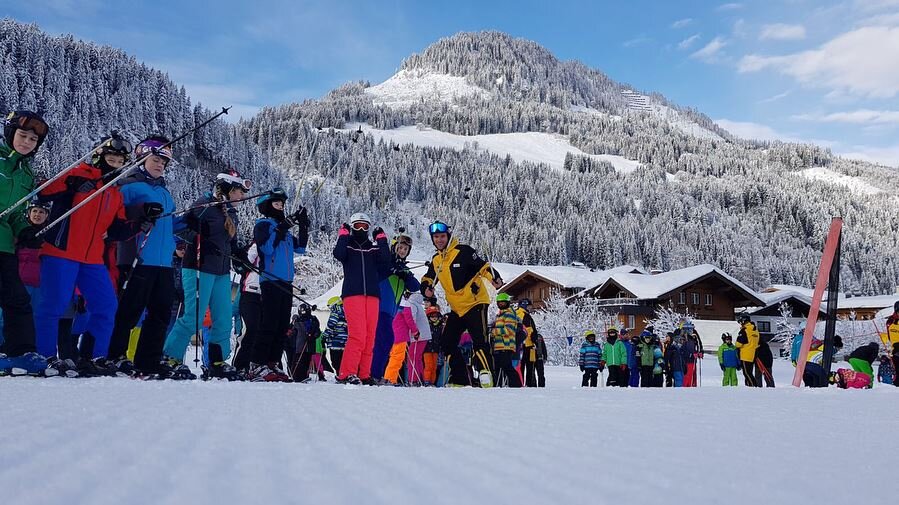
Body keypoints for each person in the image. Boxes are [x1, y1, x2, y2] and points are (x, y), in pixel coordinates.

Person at [37, 132, 141, 377]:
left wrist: (141, 221)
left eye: (120, 162)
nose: (114, 165)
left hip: (92, 258)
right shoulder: (79, 173)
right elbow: (44, 192)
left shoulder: (114, 193)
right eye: (111, 159)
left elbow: (118, 230)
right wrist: (71, 184)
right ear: (99, 157)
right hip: (61, 251)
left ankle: (93, 356)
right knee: (54, 304)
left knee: (106, 305)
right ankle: (44, 356)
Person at [105, 136, 183, 377]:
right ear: (142, 158)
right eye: (156, 160)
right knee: (129, 310)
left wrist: (188, 223)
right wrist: (140, 212)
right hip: (138, 258)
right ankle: (115, 355)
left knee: (160, 313)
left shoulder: (164, 192)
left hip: (164, 262)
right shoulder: (129, 185)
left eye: (163, 162)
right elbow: (116, 216)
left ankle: (149, 360)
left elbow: (167, 224)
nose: (160, 165)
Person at [163, 170, 251, 379]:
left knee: (223, 317)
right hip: (198, 267)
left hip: (221, 271)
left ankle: (216, 361)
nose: (242, 196)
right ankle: (170, 357)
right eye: (239, 191)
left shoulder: (232, 214)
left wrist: (239, 255)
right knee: (194, 315)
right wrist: (196, 235)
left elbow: (230, 243)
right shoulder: (204, 205)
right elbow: (177, 227)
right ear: (227, 189)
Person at [0, 111, 52, 376]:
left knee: (17, 299)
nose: (27, 142)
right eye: (23, 135)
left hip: (4, 245)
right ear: (10, 134)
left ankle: (20, 353)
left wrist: (26, 230)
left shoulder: (26, 174)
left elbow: (17, 214)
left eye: (33, 139)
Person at [420, 221, 503, 387]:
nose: (439, 240)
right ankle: (461, 380)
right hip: (457, 308)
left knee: (479, 340)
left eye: (442, 236)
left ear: (448, 236)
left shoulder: (463, 251)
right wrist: (426, 288)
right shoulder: (437, 260)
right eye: (436, 237)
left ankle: (487, 376)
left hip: (475, 302)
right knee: (447, 342)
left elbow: (483, 267)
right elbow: (428, 278)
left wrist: (495, 279)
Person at [249, 189, 309, 381]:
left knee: (282, 325)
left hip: (286, 282)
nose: (281, 207)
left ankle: (272, 362)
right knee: (269, 322)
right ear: (267, 206)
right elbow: (266, 249)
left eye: (282, 204)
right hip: (270, 280)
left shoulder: (284, 230)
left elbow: (301, 248)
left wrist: (303, 225)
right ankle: (257, 364)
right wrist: (281, 228)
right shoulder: (263, 225)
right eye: (277, 204)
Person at [332, 212, 391, 385]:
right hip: (353, 294)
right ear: (352, 227)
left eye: (365, 226)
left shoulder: (373, 249)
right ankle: (346, 373)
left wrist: (381, 239)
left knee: (370, 336)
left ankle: (364, 374)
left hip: (372, 295)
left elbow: (386, 259)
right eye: (357, 226)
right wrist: (343, 235)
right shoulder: (348, 246)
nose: (361, 229)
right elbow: (338, 254)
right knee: (357, 335)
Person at [370, 233, 419, 383]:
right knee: (384, 340)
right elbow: (380, 270)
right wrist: (393, 268)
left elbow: (415, 286)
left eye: (406, 249)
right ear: (394, 247)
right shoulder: (386, 263)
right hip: (381, 307)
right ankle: (374, 374)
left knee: (385, 341)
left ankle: (374, 374)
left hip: (391, 312)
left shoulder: (404, 269)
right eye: (400, 247)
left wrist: (405, 274)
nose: (403, 251)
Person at [17, 199, 49, 330]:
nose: (37, 214)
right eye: (34, 211)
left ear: (46, 215)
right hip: (19, 282)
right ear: (29, 213)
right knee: (10, 316)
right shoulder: (20, 232)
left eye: (41, 212)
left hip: (39, 285)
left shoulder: (49, 236)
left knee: (35, 318)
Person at [232, 243, 261, 371]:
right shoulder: (256, 246)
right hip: (250, 291)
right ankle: (239, 366)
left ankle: (256, 365)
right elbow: (244, 265)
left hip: (267, 292)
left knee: (261, 332)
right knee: (250, 329)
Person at [490, 292, 522, 387]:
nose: (501, 304)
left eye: (503, 302)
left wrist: (493, 331)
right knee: (499, 366)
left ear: (507, 303)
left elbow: (509, 329)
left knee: (507, 366)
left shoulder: (509, 314)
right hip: (499, 346)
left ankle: (516, 385)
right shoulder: (500, 315)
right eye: (499, 303)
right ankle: (500, 385)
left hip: (506, 345)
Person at [515, 297, 540, 387]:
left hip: (523, 345)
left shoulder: (519, 313)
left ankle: (522, 383)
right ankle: (527, 384)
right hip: (526, 345)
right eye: (529, 306)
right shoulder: (522, 315)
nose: (530, 308)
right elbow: (525, 329)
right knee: (528, 367)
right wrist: (534, 337)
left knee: (523, 366)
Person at [322, 296, 348, 375]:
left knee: (335, 361)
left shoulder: (335, 312)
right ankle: (344, 374)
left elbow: (331, 325)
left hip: (335, 341)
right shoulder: (347, 311)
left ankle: (340, 375)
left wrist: (324, 336)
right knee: (343, 361)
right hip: (345, 341)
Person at [735, 312, 759, 387]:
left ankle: (753, 386)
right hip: (753, 354)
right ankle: (750, 386)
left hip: (745, 355)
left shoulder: (744, 330)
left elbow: (738, 344)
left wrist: (736, 344)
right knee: (750, 372)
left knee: (747, 373)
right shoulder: (755, 330)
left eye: (741, 321)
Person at [423, 306, 443, 386]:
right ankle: (427, 380)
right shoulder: (426, 326)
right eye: (432, 316)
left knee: (434, 367)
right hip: (427, 349)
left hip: (436, 349)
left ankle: (432, 381)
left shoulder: (440, 326)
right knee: (428, 366)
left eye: (436, 316)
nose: (434, 318)